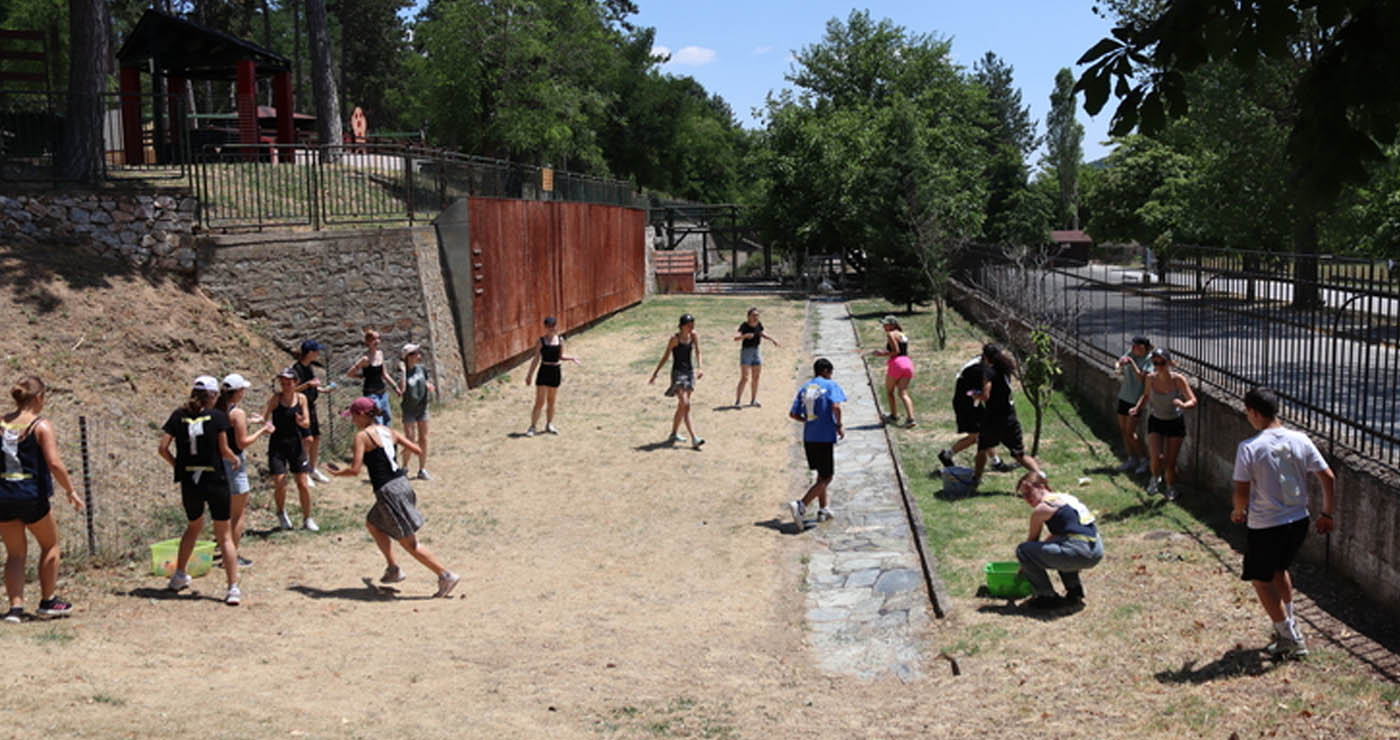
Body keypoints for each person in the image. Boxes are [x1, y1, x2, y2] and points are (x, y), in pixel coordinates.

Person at [1231, 387, 1336, 659]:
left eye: (1247, 413)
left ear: (1254, 412)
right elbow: (1328, 477)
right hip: (1298, 521)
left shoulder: (1249, 447)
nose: (1247, 417)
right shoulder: (1300, 439)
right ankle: (1289, 625)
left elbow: (1241, 489)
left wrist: (1238, 511)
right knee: (1280, 568)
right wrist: (1327, 513)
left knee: (1260, 580)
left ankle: (1290, 638)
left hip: (1266, 525)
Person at [326, 397, 460, 598]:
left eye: (353, 416)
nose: (352, 420)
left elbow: (354, 470)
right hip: (402, 484)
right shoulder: (389, 431)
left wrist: (337, 473)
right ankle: (393, 568)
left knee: (409, 543)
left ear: (362, 415)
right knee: (373, 523)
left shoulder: (362, 436)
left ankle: (445, 574)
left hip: (388, 491)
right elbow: (417, 449)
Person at [1, 376, 83, 622]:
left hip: (4, 495)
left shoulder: (2, 423)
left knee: (15, 554)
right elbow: (55, 463)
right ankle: (48, 601)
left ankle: (15, 608)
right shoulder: (40, 425)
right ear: (38, 398)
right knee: (50, 545)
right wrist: (70, 490)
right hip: (32, 496)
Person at [157, 376, 242, 605]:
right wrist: (235, 460)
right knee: (224, 534)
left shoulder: (178, 415)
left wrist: (178, 465)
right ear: (213, 396)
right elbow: (224, 449)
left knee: (193, 527)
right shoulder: (217, 417)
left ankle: (179, 575)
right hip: (214, 478)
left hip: (190, 481)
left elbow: (163, 448)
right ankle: (232, 587)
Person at [1014, 472, 1103, 610]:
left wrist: (1023, 565)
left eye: (1029, 492)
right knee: (1062, 545)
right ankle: (1074, 591)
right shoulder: (1066, 498)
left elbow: (1032, 541)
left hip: (1079, 552)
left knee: (1023, 550)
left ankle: (1046, 597)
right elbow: (1064, 533)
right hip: (1096, 550)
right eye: (1023, 496)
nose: (1027, 498)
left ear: (1041, 486)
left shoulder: (1042, 509)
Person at [215, 373, 273, 567]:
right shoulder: (236, 413)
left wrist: (251, 422)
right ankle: (231, 556)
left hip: (217, 462)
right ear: (238, 392)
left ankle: (222, 548)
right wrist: (262, 430)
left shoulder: (217, 408)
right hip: (234, 463)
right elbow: (242, 442)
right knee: (238, 513)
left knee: (224, 511)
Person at [785, 358, 846, 530]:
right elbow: (837, 406)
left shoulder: (805, 388)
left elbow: (793, 414)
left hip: (809, 436)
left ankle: (823, 509)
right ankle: (801, 505)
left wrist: (807, 420)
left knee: (820, 474)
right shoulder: (831, 385)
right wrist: (839, 425)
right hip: (825, 436)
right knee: (827, 477)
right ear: (826, 371)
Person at [970, 344, 1044, 486]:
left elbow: (986, 395)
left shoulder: (989, 372)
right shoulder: (1005, 370)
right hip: (1010, 417)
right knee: (1019, 455)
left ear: (986, 357)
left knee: (982, 448)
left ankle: (976, 479)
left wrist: (975, 394)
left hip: (993, 419)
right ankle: (1041, 476)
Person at [1132, 348, 1197, 500]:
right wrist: (1137, 407)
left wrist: (1183, 405)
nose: (1158, 366)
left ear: (1169, 363)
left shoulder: (1178, 380)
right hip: (1156, 421)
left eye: (1162, 362)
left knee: (1170, 462)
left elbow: (1193, 400)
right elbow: (1146, 395)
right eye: (1155, 363)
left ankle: (1171, 488)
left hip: (1175, 423)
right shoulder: (1150, 378)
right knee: (1155, 456)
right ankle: (1155, 479)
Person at [263, 367, 317, 531]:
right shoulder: (276, 399)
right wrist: (265, 425)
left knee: (303, 483)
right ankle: (281, 513)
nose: (285, 385)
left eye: (288, 382)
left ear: (295, 383)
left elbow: (307, 422)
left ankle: (307, 518)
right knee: (280, 482)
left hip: (296, 444)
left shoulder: (301, 399)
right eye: (283, 382)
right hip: (277, 444)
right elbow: (264, 416)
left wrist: (302, 423)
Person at [938, 355, 1006, 471]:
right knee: (975, 436)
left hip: (972, 402)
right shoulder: (977, 369)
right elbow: (982, 392)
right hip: (966, 405)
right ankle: (946, 455)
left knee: (984, 432)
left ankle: (997, 462)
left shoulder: (978, 364)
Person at [649, 313, 704, 449]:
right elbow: (666, 356)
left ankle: (673, 433)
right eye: (689, 325)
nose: (692, 327)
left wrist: (700, 368)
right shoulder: (675, 339)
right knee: (685, 404)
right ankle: (694, 438)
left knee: (682, 406)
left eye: (693, 325)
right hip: (678, 374)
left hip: (689, 373)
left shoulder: (694, 336)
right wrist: (655, 373)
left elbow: (698, 351)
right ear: (682, 326)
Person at [523, 317, 581, 437]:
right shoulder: (541, 341)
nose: (552, 328)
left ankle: (549, 424)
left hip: (555, 371)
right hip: (544, 370)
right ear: (545, 327)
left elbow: (560, 356)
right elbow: (536, 359)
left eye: (553, 325)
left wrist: (571, 358)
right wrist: (529, 375)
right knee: (539, 401)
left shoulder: (560, 340)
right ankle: (532, 426)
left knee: (551, 401)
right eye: (549, 326)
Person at [292, 340, 332, 486]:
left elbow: (311, 387)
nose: (318, 354)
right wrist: (308, 384)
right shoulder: (296, 369)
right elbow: (292, 390)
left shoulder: (309, 367)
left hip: (311, 406)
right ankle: (303, 470)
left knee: (316, 437)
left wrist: (322, 389)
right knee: (306, 440)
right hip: (302, 407)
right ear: (310, 353)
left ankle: (312, 468)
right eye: (316, 351)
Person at [1114, 336, 1154, 474]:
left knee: (1131, 431)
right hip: (1124, 396)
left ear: (1145, 348)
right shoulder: (1130, 353)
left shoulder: (1149, 359)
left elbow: (1142, 378)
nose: (1135, 349)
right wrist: (1119, 366)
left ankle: (1144, 459)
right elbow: (1119, 362)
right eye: (1134, 346)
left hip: (1136, 400)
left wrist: (1131, 363)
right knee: (1124, 430)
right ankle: (1131, 458)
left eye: (1138, 347)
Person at [397, 343, 436, 479]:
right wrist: (403, 372)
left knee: (423, 439)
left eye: (418, 352)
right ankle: (405, 467)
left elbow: (426, 381)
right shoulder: (403, 373)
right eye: (414, 353)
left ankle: (422, 469)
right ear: (408, 357)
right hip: (409, 409)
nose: (418, 355)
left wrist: (428, 385)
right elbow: (401, 390)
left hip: (422, 407)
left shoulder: (421, 369)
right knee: (410, 439)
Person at [348, 329, 400, 426]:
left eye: (378, 338)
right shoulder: (365, 359)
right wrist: (359, 376)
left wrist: (395, 387)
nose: (377, 341)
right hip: (371, 395)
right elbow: (350, 373)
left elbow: (384, 374)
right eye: (374, 339)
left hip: (382, 393)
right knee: (377, 421)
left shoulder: (380, 354)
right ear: (368, 342)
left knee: (387, 419)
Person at [871, 315, 916, 427]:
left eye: (886, 324)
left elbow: (896, 351)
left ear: (893, 324)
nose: (884, 326)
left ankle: (893, 416)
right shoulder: (902, 334)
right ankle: (911, 418)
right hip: (908, 363)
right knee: (903, 392)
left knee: (890, 391)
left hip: (897, 364)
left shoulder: (891, 334)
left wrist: (881, 353)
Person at [733, 307, 780, 408]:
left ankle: (753, 400)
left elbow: (762, 333)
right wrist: (745, 336)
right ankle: (738, 401)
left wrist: (772, 340)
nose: (756, 317)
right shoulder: (744, 326)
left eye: (757, 315)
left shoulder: (759, 324)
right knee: (744, 378)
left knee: (756, 377)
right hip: (746, 352)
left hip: (756, 351)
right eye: (754, 315)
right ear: (748, 316)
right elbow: (736, 338)